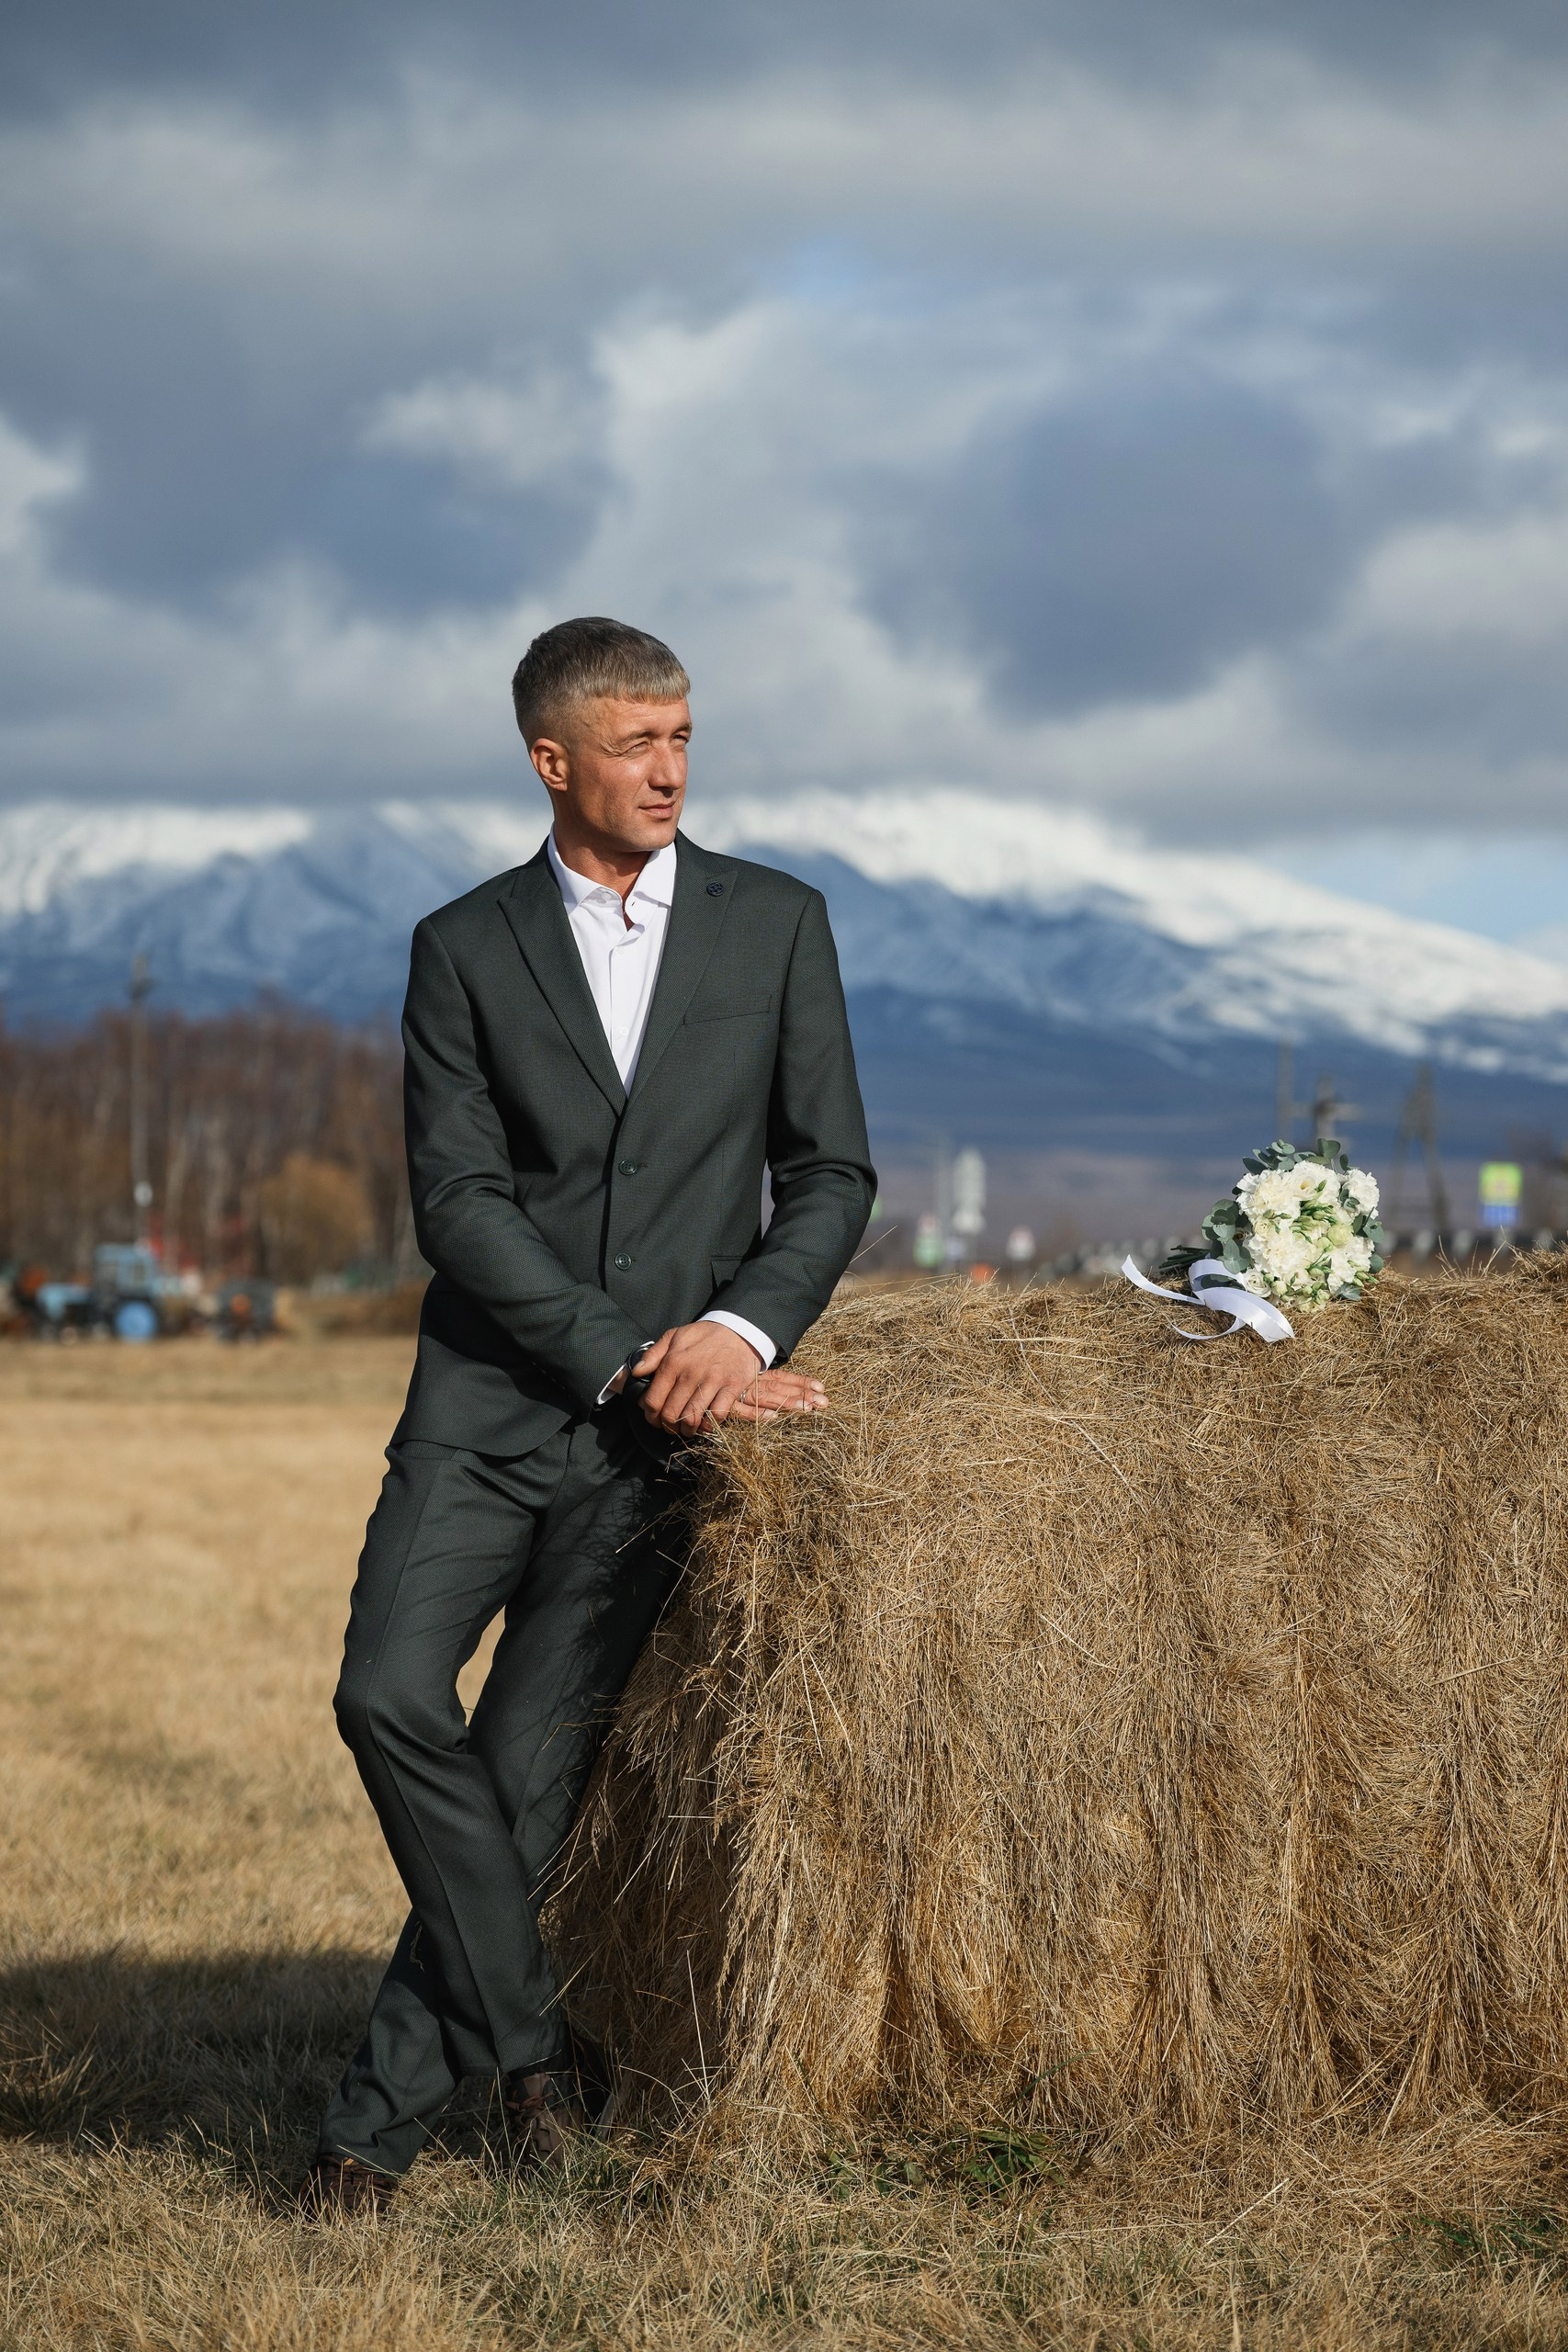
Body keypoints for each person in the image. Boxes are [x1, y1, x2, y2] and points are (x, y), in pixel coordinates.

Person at [300, 616, 875, 2213]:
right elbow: (460, 1202)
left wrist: (739, 1332)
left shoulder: (777, 925)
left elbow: (830, 1174)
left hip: (664, 1449)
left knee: (526, 1769)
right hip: (489, 1407)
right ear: (553, 759)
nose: (672, 769)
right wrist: (629, 1349)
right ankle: (536, 2042)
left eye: (685, 737)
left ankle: (368, 2139)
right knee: (383, 1694)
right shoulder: (462, 945)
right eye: (639, 744)